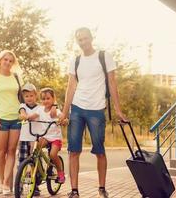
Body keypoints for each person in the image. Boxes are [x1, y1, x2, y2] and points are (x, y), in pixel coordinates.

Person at [60, 27, 128, 198]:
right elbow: (70, 86)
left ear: (91, 38)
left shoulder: (104, 57)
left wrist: (118, 109)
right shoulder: (75, 61)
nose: (83, 42)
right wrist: (64, 111)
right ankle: (74, 190)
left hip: (97, 109)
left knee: (99, 150)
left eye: (85, 38)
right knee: (73, 151)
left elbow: (112, 83)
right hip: (77, 108)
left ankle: (101, 189)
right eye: (79, 39)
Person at [0, 50, 22, 195]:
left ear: (13, 63)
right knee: (1, 152)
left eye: (10, 61)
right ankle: (0, 181)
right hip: (0, 118)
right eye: (5, 59)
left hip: (16, 118)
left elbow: (22, 97)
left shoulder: (16, 77)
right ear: (0, 61)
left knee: (12, 151)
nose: (7, 62)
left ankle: (7, 182)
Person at [17, 83, 42, 196]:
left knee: (35, 162)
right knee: (22, 161)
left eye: (31, 95)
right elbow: (22, 114)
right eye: (26, 96)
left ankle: (35, 185)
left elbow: (38, 114)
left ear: (35, 95)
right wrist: (25, 116)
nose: (29, 98)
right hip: (24, 138)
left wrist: (33, 116)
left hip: (36, 139)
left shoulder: (40, 108)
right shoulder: (23, 106)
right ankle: (20, 185)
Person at [37, 87, 65, 184]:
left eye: (48, 98)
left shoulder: (55, 110)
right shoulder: (40, 110)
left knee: (53, 155)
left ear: (53, 99)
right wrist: (28, 117)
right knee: (36, 150)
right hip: (45, 136)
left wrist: (63, 120)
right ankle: (37, 172)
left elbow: (61, 116)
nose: (45, 101)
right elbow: (34, 115)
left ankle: (61, 173)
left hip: (55, 138)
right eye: (43, 99)